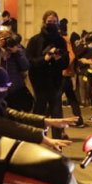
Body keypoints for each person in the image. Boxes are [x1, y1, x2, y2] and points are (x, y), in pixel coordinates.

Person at [26, 10, 70, 138]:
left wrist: (58, 58)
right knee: (39, 111)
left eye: (55, 22)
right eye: (49, 22)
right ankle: (35, 138)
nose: (52, 24)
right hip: (39, 82)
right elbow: (29, 61)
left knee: (56, 111)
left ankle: (58, 141)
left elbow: (65, 62)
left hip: (55, 81)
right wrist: (44, 59)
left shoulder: (60, 40)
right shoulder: (35, 40)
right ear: (44, 22)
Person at [0, 27, 32, 111]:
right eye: (3, 37)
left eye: (7, 37)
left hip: (15, 88)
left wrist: (16, 52)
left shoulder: (17, 48)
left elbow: (25, 66)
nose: (5, 40)